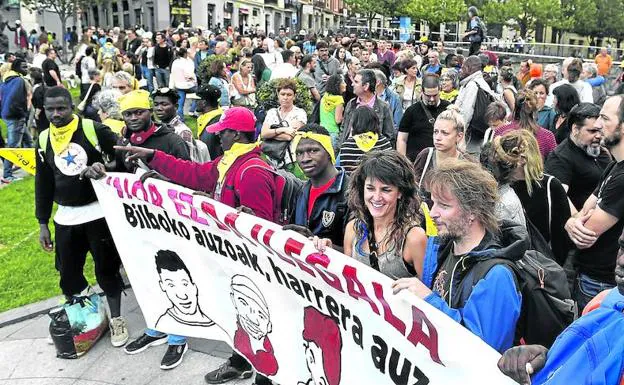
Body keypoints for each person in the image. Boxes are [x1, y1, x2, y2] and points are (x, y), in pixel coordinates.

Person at [112, 107, 276, 385]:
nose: (217, 139)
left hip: (248, 265)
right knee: (235, 315)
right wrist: (155, 158)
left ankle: (264, 374)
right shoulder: (230, 161)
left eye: (221, 133)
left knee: (255, 319)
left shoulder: (252, 171)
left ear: (235, 135)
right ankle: (241, 362)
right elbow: (197, 174)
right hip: (230, 257)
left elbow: (259, 227)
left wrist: (212, 206)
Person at [392, 159, 524, 352]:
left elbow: (481, 351)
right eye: (432, 202)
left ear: (473, 212)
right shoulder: (441, 249)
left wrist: (429, 300)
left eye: (444, 205)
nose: (432, 212)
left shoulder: (497, 275)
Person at [35, 86, 128, 347]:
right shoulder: (43, 139)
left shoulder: (92, 129)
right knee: (68, 274)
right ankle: (89, 316)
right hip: (66, 218)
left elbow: (123, 158)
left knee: (106, 270)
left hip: (98, 214)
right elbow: (43, 183)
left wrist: (105, 167)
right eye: (50, 109)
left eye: (61, 108)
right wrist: (42, 222)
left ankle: (117, 318)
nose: (56, 114)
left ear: (72, 105)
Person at [497, 241, 624, 384]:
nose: (621, 260)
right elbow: (579, 365)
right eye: (622, 246)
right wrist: (546, 360)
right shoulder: (603, 302)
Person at [564, 95, 624, 311]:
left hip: (601, 282)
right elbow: (584, 212)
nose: (598, 125)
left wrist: (574, 223)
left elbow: (585, 235)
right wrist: (572, 222)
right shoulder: (614, 164)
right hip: (591, 276)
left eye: (605, 119)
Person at [342, 151, 427, 279]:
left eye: (386, 190)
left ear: (400, 192)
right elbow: (345, 280)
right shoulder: (353, 229)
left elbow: (427, 293)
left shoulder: (414, 238)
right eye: (370, 188)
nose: (377, 197)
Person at [495, 130, 572, 264]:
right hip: (507, 262)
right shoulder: (498, 186)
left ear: (524, 159)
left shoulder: (550, 186)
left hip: (539, 266)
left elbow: (561, 237)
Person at [289, 124, 350, 249]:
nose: (305, 159)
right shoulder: (301, 191)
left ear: (329, 151)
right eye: (299, 153)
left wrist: (324, 246)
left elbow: (359, 253)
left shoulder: (350, 192)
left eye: (313, 151)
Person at [545, 103, 612, 213]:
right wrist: (577, 221)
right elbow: (558, 196)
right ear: (575, 129)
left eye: (600, 130)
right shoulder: (560, 157)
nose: (598, 136)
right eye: (592, 131)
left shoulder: (602, 150)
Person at [413, 109, 471, 199]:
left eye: (445, 133)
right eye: (435, 132)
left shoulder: (467, 164)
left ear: (459, 136)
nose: (438, 138)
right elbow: (413, 190)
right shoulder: (425, 156)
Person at [397, 74, 451, 162]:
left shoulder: (449, 109)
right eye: (428, 96)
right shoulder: (411, 111)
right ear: (422, 91)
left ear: (440, 90)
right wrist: (404, 162)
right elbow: (402, 139)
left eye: (435, 95)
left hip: (443, 161)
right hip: (416, 162)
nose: (432, 99)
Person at [494, 89, 557, 160]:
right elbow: (554, 166)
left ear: (515, 107)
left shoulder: (500, 132)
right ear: (535, 109)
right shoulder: (547, 136)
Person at [339, 69, 394, 148]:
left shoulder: (384, 107)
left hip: (373, 155)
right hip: (350, 152)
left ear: (366, 86)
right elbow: (343, 129)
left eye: (356, 82)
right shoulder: (351, 104)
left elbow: (390, 136)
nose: (352, 84)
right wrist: (340, 149)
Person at [152, 88, 209, 163]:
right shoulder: (156, 128)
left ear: (176, 107)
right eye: (156, 104)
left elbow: (189, 164)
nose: (159, 108)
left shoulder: (182, 132)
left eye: (164, 104)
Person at [455, 55, 498, 153]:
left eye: (463, 68)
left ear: (469, 68)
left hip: (471, 137)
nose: (460, 70)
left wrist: (459, 135)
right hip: (479, 133)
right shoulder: (480, 82)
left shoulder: (472, 85)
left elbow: (466, 113)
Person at [260, 78, 307, 167]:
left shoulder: (300, 113)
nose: (285, 97)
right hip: (271, 159)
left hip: (291, 159)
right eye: (283, 94)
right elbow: (263, 134)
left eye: (289, 95)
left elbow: (289, 136)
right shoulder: (272, 112)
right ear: (278, 95)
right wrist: (283, 129)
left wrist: (271, 134)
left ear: (294, 96)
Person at [0, 58, 32, 183]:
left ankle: (34, 167)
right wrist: (23, 114)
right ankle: (7, 175)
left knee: (28, 141)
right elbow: (17, 99)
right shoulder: (19, 80)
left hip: (7, 114)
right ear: (17, 68)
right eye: (24, 67)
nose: (26, 69)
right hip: (16, 116)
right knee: (13, 146)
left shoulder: (5, 80)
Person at [338, 106, 393, 175]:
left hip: (353, 184)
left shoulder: (346, 146)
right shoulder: (384, 142)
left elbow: (345, 172)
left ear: (354, 123)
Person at [193, 85, 224, 160]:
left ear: (204, 103)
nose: (195, 102)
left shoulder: (219, 122)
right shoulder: (205, 118)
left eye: (197, 100)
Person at [169, 48, 197, 118]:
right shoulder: (189, 62)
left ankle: (180, 118)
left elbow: (172, 73)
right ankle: (192, 110)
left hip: (178, 85)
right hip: (189, 85)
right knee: (199, 94)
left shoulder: (175, 62)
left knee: (180, 102)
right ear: (185, 54)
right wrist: (194, 80)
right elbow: (189, 75)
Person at [319, 74, 345, 146]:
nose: (345, 84)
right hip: (333, 132)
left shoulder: (325, 96)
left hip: (321, 131)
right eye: (343, 83)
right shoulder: (339, 99)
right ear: (337, 85)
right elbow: (338, 120)